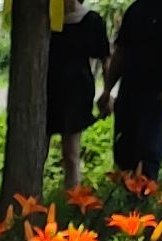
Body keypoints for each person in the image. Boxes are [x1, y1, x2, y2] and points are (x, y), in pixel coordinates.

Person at [108, 0, 162, 183]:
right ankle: (125, 202)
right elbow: (120, 52)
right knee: (124, 152)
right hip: (128, 91)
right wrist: (107, 90)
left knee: (149, 154)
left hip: (157, 94)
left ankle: (145, 201)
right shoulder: (136, 9)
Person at [45, 0, 110, 195]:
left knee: (71, 154)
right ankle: (32, 202)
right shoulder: (46, 20)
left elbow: (106, 58)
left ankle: (73, 202)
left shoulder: (92, 21)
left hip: (76, 93)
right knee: (37, 153)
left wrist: (107, 94)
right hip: (46, 91)